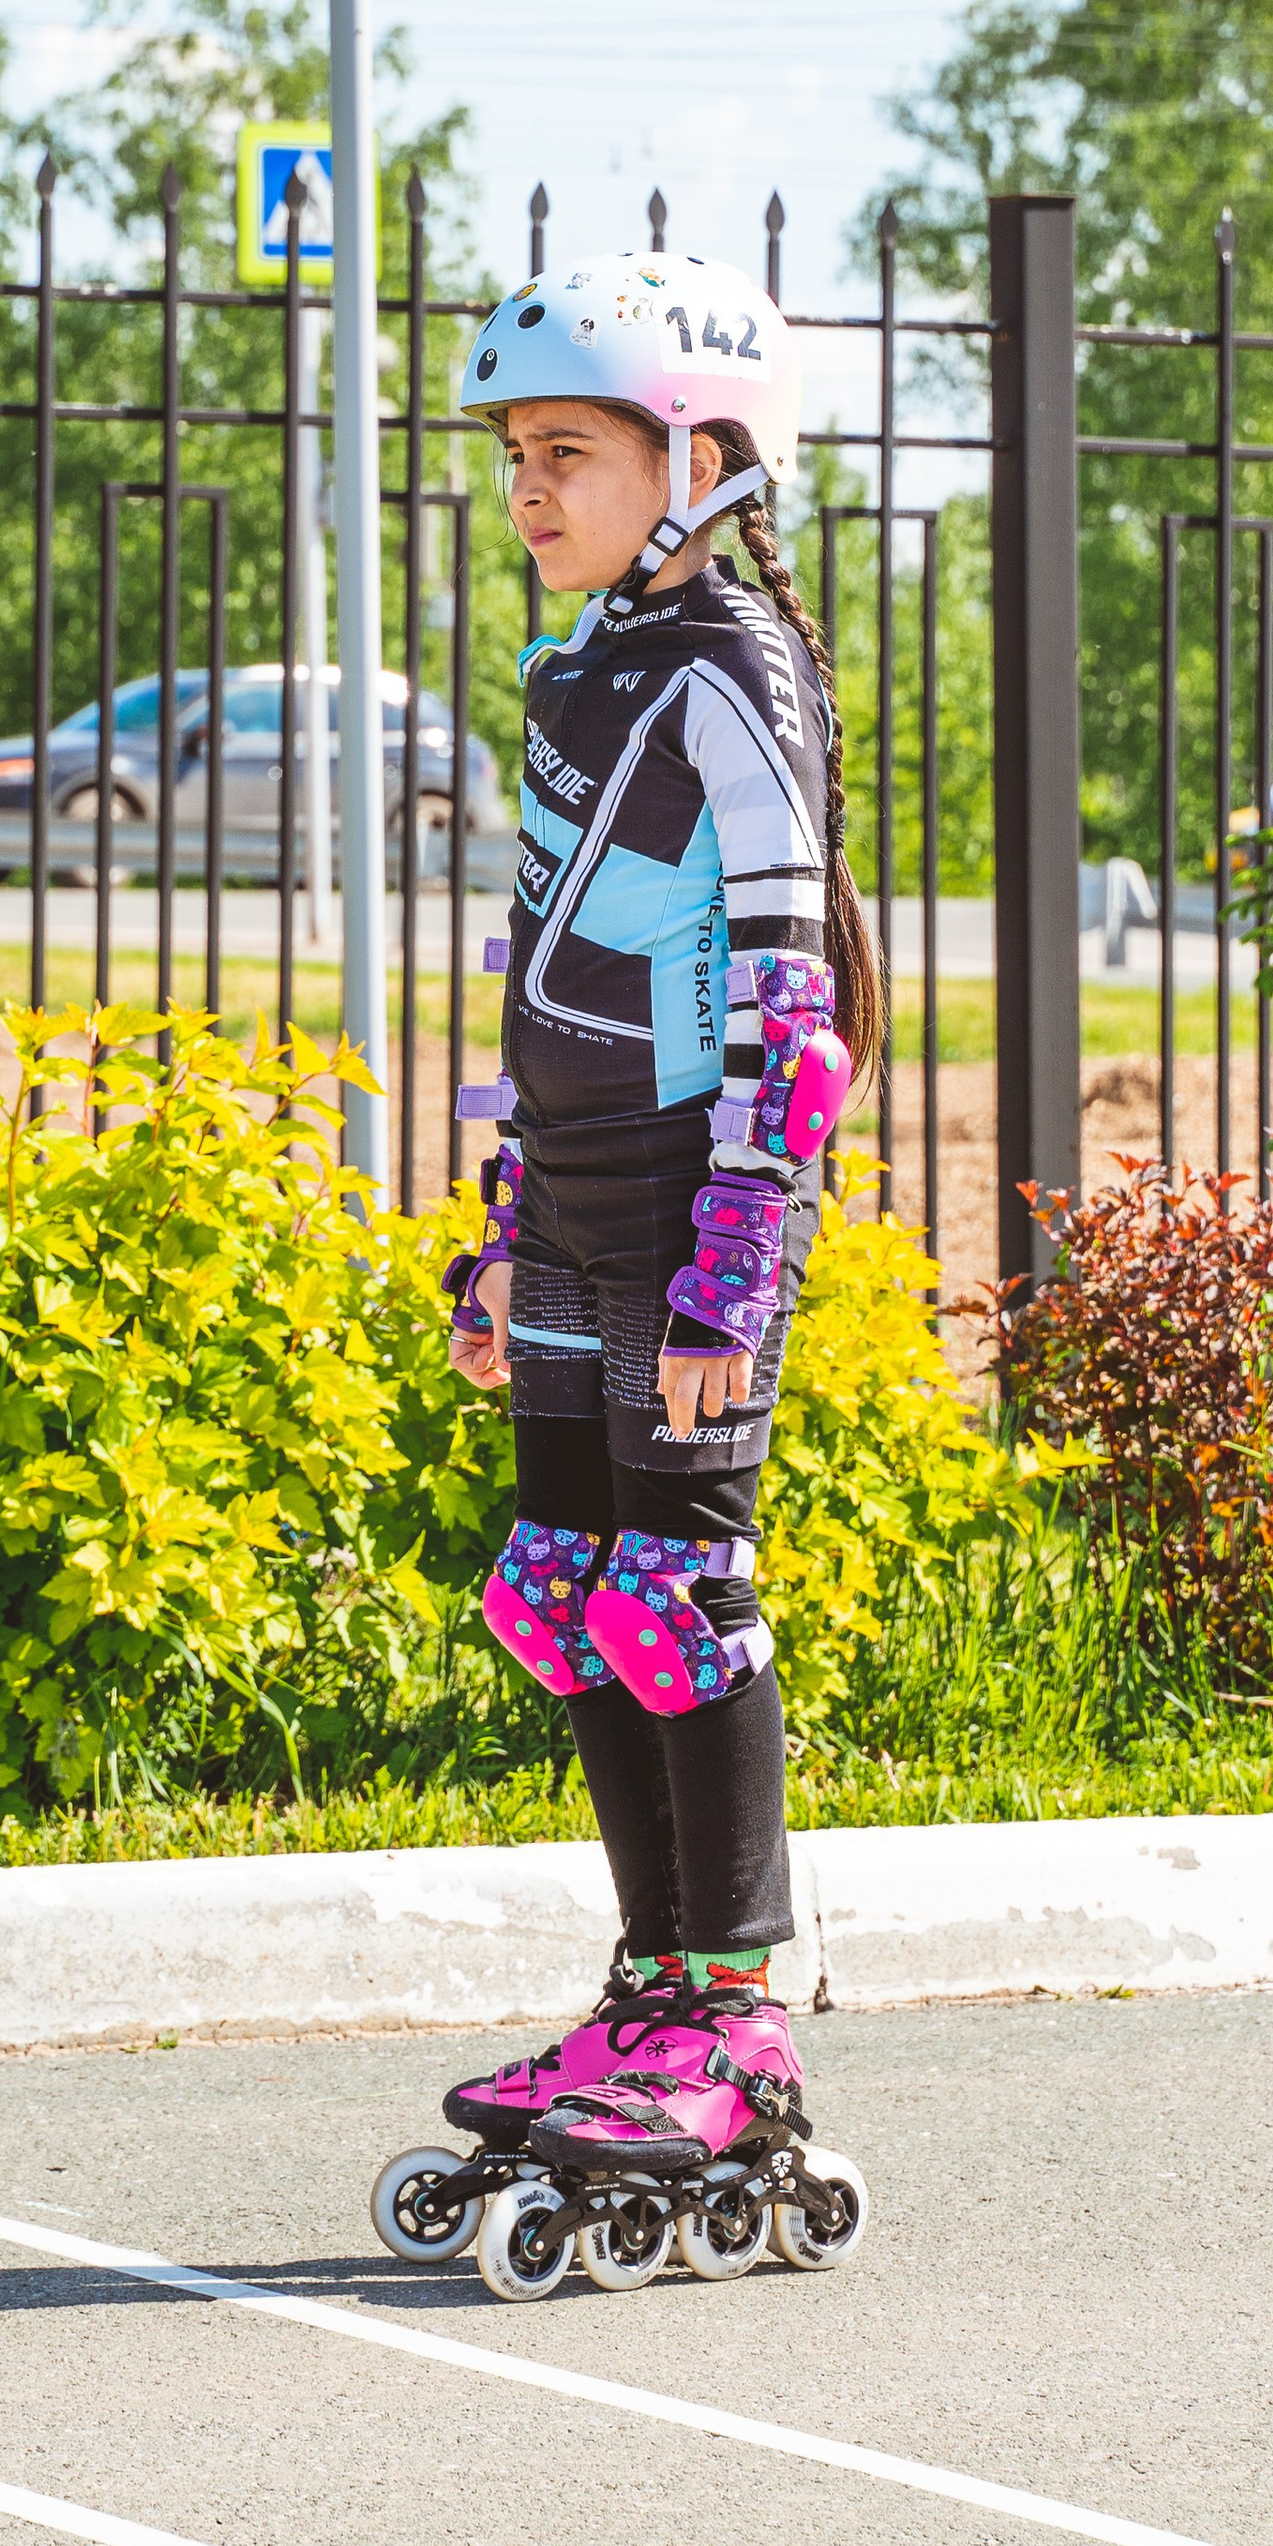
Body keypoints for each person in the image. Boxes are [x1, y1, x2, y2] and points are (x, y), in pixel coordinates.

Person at [433, 247, 882, 2246]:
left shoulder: (731, 668)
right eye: (515, 457)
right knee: (557, 1589)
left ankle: (740, 2023)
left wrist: (738, 1263)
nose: (528, 491)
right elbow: (545, 972)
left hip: (695, 1219)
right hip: (581, 1206)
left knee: (675, 1599)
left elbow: (782, 985)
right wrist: (502, 1237)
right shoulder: (577, 671)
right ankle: (642, 1994)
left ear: (690, 453)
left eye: (566, 452)